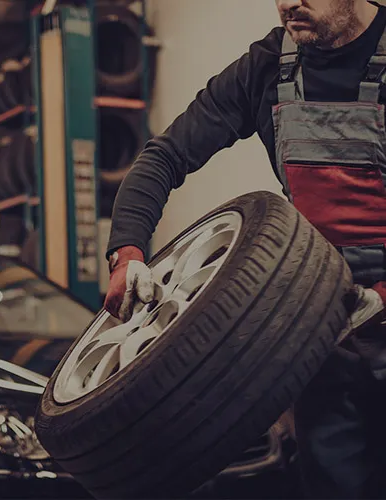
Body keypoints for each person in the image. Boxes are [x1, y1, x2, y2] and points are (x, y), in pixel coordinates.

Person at [103, 0, 386, 497]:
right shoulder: (266, 68)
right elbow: (164, 156)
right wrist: (127, 252)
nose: (288, 2)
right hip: (328, 329)